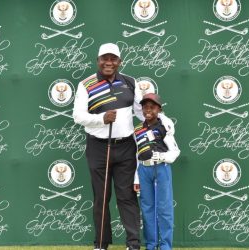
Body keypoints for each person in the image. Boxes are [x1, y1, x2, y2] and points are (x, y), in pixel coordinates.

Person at [73, 43, 174, 250]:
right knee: (101, 197)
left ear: (120, 62)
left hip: (126, 146)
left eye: (113, 59)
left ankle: (133, 243)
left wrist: (162, 119)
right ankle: (101, 244)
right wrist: (101, 118)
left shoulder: (129, 82)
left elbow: (141, 111)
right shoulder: (86, 85)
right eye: (104, 58)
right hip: (98, 148)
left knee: (127, 196)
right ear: (98, 60)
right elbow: (78, 116)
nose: (108, 62)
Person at [133, 93, 180, 250]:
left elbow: (175, 152)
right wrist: (135, 178)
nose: (148, 110)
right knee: (147, 208)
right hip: (144, 169)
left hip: (161, 167)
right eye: (145, 107)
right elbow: (136, 155)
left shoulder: (164, 126)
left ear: (159, 109)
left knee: (164, 208)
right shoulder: (138, 129)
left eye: (152, 107)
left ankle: (166, 245)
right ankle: (151, 245)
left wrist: (158, 155)